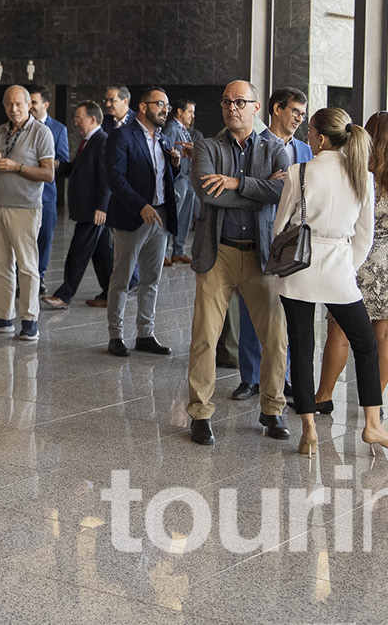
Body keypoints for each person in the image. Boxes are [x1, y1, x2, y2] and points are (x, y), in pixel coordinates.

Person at [274, 108, 388, 456]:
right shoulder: (362, 176)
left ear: (320, 138)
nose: (307, 137)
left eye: (309, 131)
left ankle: (308, 430)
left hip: (298, 266)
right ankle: (373, 425)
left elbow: (279, 228)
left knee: (301, 350)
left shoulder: (298, 172)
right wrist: (346, 266)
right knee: (365, 345)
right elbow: (365, 235)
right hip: (340, 267)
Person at [185, 80, 292, 445]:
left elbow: (282, 192)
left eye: (240, 102)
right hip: (218, 253)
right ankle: (200, 413)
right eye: (227, 102)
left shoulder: (275, 147)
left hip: (262, 255)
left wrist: (234, 183)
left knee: (276, 338)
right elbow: (207, 193)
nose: (232, 108)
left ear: (256, 107)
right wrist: (254, 190)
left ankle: (272, 409)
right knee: (205, 337)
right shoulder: (207, 146)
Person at [314, 111, 388, 412]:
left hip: (359, 259)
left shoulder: (359, 174)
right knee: (386, 334)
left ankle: (323, 397)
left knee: (339, 330)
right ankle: (372, 405)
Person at [234, 86, 312, 401]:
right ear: (276, 109)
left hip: (295, 239)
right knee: (252, 309)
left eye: (303, 115)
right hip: (260, 233)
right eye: (295, 111)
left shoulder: (305, 151)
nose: (299, 119)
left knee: (291, 309)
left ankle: (284, 376)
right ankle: (250, 377)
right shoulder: (254, 142)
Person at [103, 88, 181, 358]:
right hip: (131, 217)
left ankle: (145, 334)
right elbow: (115, 178)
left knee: (152, 279)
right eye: (160, 104)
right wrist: (140, 206)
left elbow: (162, 176)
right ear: (143, 106)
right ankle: (116, 335)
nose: (165, 109)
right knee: (122, 278)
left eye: (167, 105)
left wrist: (176, 164)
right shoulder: (122, 135)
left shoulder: (164, 139)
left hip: (159, 216)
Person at [0, 85, 55, 341]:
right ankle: (3, 316)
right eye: (9, 104)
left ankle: (30, 319)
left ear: (29, 105)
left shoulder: (41, 133)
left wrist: (17, 166)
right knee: (1, 265)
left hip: (25, 207)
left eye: (19, 104)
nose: (14, 109)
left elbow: (49, 174)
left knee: (27, 267)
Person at [41, 101, 113, 310]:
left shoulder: (102, 141)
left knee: (77, 251)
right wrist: (58, 165)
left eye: (79, 118)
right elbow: (79, 170)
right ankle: (111, 293)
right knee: (102, 253)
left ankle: (65, 295)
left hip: (93, 210)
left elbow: (107, 177)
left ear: (92, 119)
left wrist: (102, 206)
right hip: (88, 208)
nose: (75, 123)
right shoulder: (89, 141)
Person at [28, 84, 69, 295]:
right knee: (24, 239)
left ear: (45, 104)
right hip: (22, 194)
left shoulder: (58, 129)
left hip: (46, 195)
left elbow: (62, 161)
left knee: (44, 239)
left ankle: (40, 277)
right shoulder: (19, 126)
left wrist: (44, 163)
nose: (30, 107)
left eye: (33, 102)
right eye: (28, 103)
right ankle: (22, 279)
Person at [161, 99, 196, 265]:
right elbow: (166, 153)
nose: (192, 116)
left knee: (184, 218)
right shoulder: (171, 128)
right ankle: (163, 253)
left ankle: (178, 251)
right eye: (190, 112)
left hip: (188, 179)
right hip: (177, 179)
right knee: (173, 216)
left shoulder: (184, 129)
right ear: (179, 112)